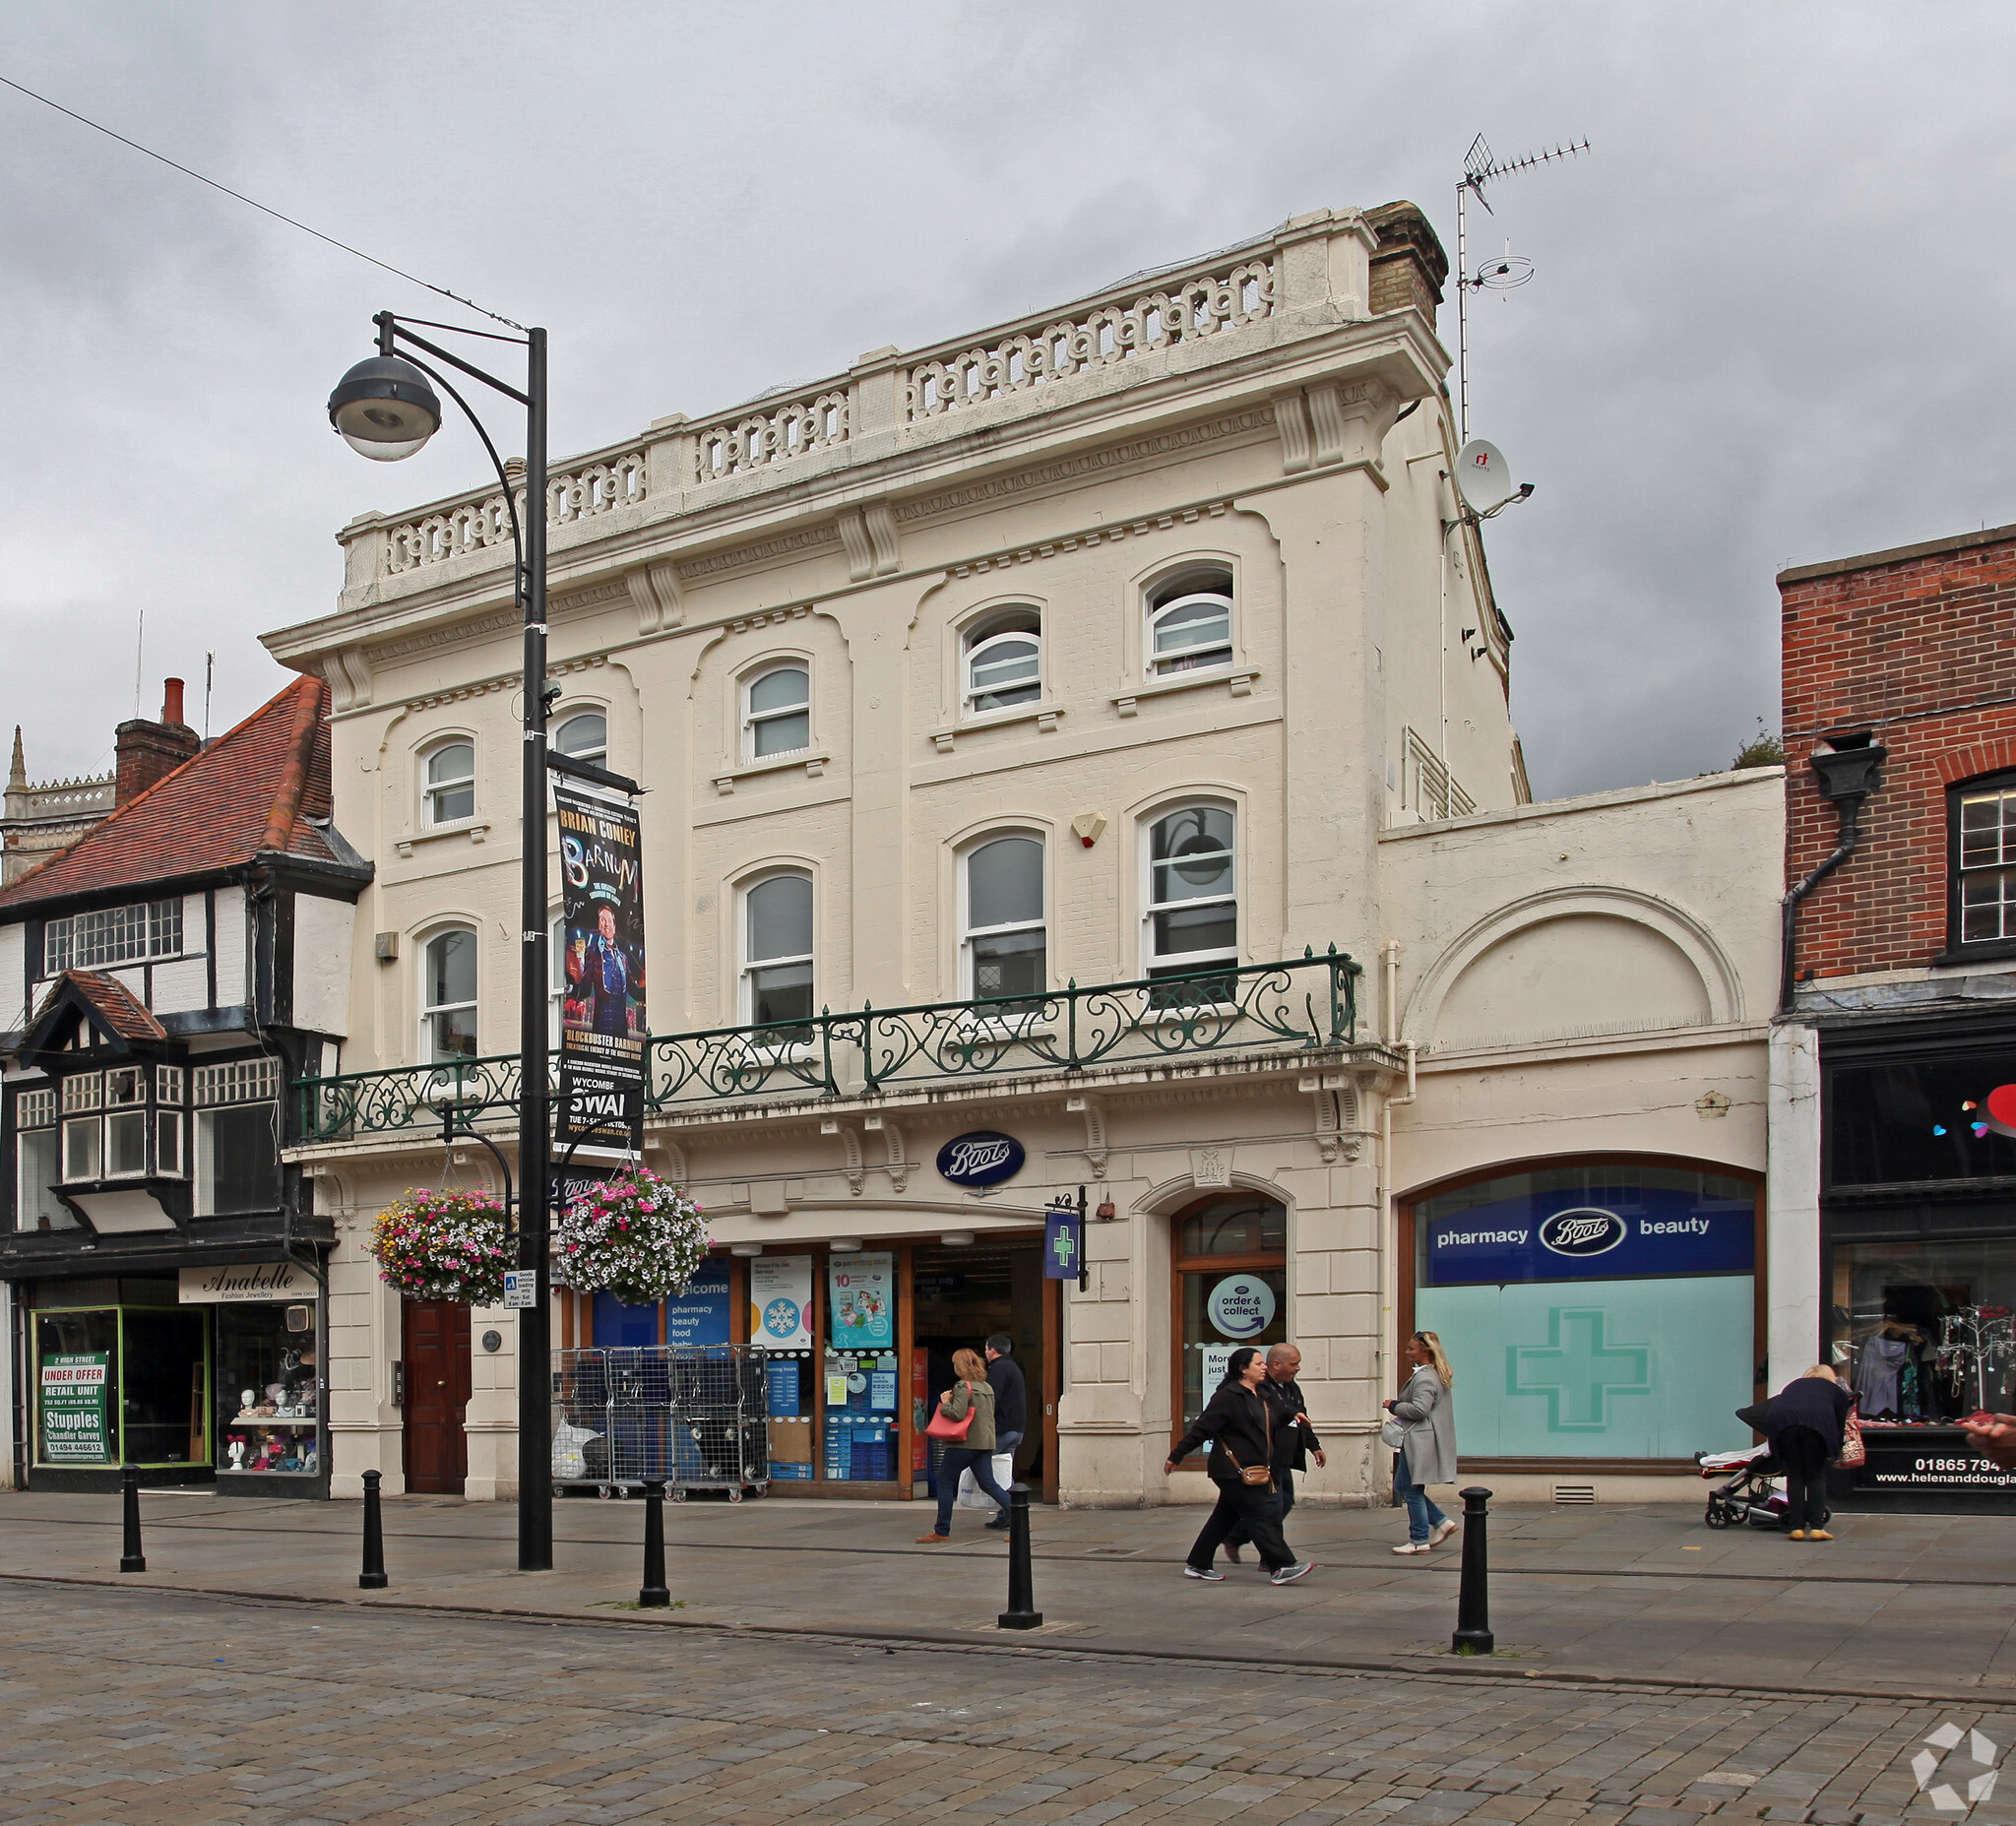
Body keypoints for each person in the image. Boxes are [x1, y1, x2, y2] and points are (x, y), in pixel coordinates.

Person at [1164, 1345, 1314, 1585]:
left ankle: (1198, 1563)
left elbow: (1279, 1412)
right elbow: (1202, 1429)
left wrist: (1293, 1414)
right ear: (1243, 1370)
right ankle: (1281, 1566)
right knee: (1261, 1515)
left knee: (1223, 1518)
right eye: (1258, 1364)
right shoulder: (1228, 1397)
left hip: (1252, 1468)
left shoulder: (1260, 1394)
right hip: (1233, 1470)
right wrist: (1176, 1456)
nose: (1263, 1366)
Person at [1224, 1343, 1326, 1564]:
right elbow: (1277, 1412)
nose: (1297, 1368)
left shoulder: (1291, 1387)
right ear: (1277, 1364)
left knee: (1283, 1503)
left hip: (1283, 1458)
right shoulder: (1259, 1387)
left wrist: (1314, 1446)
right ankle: (1273, 1560)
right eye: (1294, 1364)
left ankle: (1235, 1538)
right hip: (1264, 1458)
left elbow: (1301, 1419)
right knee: (1273, 1507)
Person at [916, 1349, 1009, 1543]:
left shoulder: (962, 1386)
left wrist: (945, 1402)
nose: (954, 1367)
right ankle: (1021, 1519)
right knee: (989, 1484)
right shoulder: (986, 1387)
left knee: (944, 1482)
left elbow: (957, 1413)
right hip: (984, 1443)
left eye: (955, 1364)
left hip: (963, 1443)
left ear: (961, 1366)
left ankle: (941, 1530)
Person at [1385, 1331, 1458, 1555]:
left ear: (1425, 1351)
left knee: (1411, 1488)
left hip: (1420, 1440)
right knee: (1403, 1486)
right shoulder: (1433, 1374)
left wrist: (1393, 1405)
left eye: (1411, 1349)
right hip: (1421, 1439)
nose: (1407, 1353)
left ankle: (1419, 1539)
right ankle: (1441, 1522)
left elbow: (1419, 1410)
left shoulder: (1425, 1377)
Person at [1762, 1364, 1853, 1541]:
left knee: (1795, 1476)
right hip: (1816, 1427)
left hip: (1783, 1425)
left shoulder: (1794, 1385)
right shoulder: (1834, 1391)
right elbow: (1839, 1423)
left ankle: (1796, 1527)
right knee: (1815, 1476)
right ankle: (1817, 1527)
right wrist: (1835, 1449)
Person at [983, 1334, 1027, 1532]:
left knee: (987, 1471)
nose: (984, 1353)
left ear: (993, 1349)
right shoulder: (1013, 1366)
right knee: (1004, 1473)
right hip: (1016, 1428)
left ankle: (1012, 1511)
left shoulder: (998, 1369)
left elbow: (992, 1399)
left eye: (985, 1349)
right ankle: (1008, 1513)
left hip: (1002, 1428)